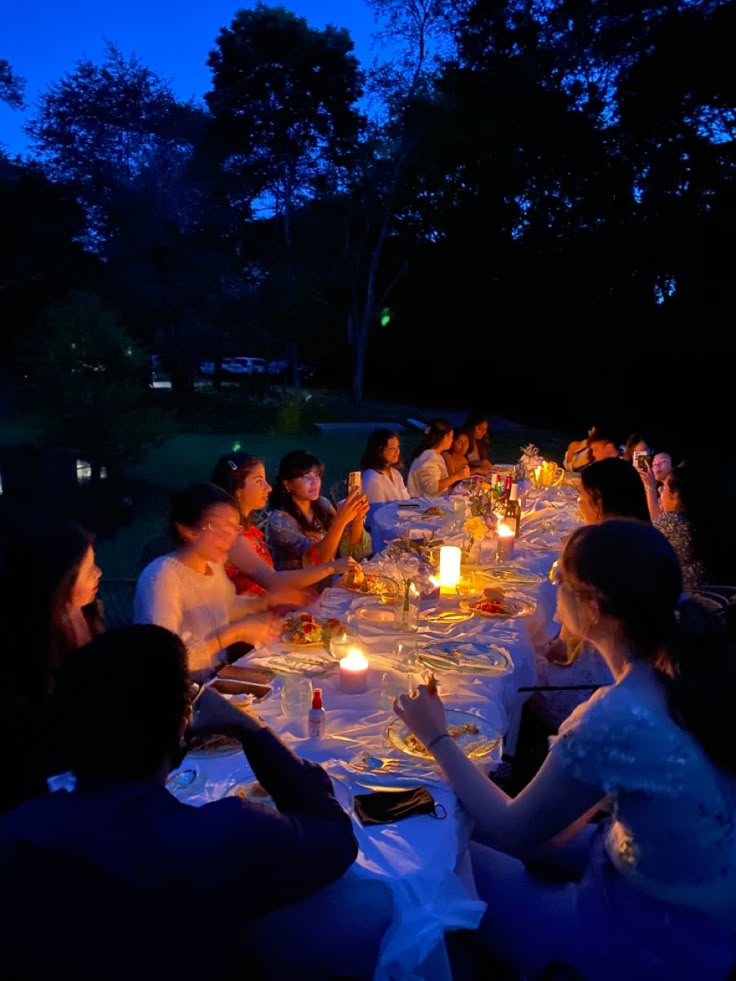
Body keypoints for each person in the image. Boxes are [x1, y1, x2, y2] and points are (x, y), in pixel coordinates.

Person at [395, 520, 736, 979]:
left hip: (648, 939)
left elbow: (515, 831)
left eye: (558, 577)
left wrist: (434, 735)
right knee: (460, 827)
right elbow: (553, 831)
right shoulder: (688, 675)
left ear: (592, 607)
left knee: (430, 871)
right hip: (675, 891)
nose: (552, 586)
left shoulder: (619, 716)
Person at [0, 625, 370, 978]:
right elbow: (335, 838)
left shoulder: (18, 829)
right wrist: (250, 729)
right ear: (183, 725)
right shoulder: (223, 834)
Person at [534, 459, 650, 730]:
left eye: (581, 498)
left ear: (598, 501)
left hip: (592, 681)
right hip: (641, 673)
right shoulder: (648, 540)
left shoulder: (594, 550)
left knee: (519, 665)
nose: (579, 505)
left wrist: (551, 651)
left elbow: (565, 646)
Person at [0, 521, 103, 814]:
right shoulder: (20, 652)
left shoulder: (89, 615)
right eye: (89, 570)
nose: (100, 573)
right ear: (60, 581)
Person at [134, 483, 284, 680]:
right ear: (188, 530)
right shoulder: (162, 577)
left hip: (215, 677)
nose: (231, 539)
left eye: (234, 528)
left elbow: (219, 607)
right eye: (219, 529)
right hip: (178, 691)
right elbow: (164, 660)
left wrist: (263, 602)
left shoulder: (211, 565)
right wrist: (234, 634)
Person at [211, 451, 358, 596]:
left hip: (286, 600)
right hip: (266, 610)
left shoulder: (250, 530)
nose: (268, 487)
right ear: (238, 489)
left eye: (317, 476)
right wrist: (331, 567)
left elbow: (352, 547)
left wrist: (357, 517)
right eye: (259, 481)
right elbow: (273, 581)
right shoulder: (235, 538)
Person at [268, 450, 371, 572]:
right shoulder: (280, 521)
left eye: (317, 476)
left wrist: (357, 518)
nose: (314, 482)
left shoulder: (323, 504)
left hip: (331, 579)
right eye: (306, 477)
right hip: (300, 587)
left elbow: (350, 551)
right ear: (287, 484)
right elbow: (317, 561)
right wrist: (340, 520)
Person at [407, 419, 470, 497]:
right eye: (451, 437)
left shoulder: (435, 455)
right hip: (426, 505)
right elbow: (432, 487)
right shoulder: (429, 458)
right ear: (444, 437)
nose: (452, 440)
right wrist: (457, 476)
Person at [359, 429, 410, 505]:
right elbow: (375, 512)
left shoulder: (396, 474)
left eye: (398, 447)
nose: (397, 451)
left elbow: (406, 502)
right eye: (392, 448)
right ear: (379, 450)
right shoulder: (371, 477)